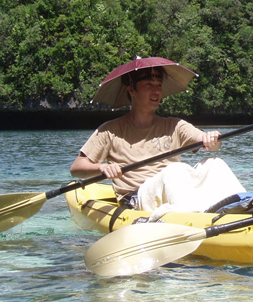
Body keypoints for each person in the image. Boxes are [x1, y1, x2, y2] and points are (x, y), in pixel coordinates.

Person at [70, 65, 243, 212]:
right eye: (148, 84)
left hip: (171, 189)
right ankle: (193, 218)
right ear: (132, 90)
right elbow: (77, 168)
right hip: (137, 198)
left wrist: (211, 139)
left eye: (159, 85)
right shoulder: (109, 131)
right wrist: (102, 168)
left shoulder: (175, 125)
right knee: (175, 170)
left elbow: (208, 142)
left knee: (214, 163)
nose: (156, 91)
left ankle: (242, 206)